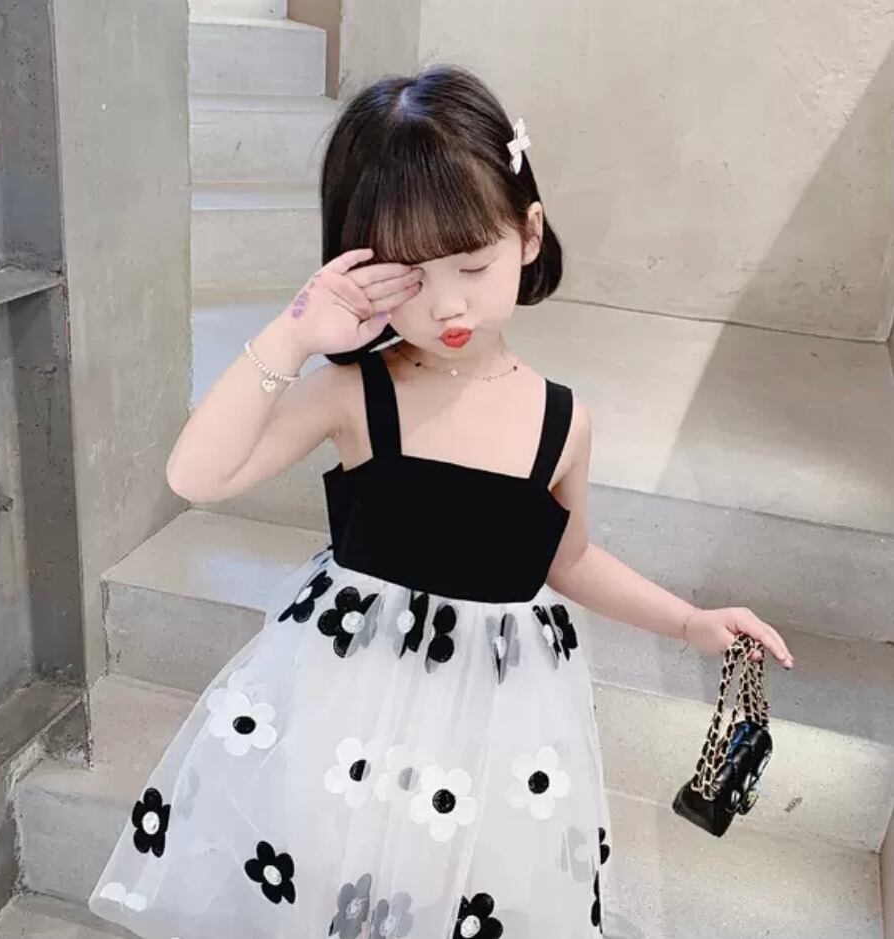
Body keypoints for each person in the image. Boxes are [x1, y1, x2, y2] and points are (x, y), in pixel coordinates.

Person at [88, 63, 794, 939]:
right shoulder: (354, 393)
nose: (447, 302)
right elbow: (197, 476)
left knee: (462, 896)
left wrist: (688, 622)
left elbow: (566, 557)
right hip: (348, 700)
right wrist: (295, 332)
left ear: (528, 234)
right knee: (330, 883)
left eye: (472, 263)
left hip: (496, 719)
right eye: (409, 277)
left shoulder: (560, 419)